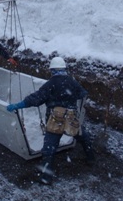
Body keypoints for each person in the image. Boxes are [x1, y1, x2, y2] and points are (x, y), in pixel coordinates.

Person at [6, 56, 95, 185]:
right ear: (64, 69)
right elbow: (82, 93)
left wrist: (19, 105)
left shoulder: (50, 84)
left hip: (55, 120)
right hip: (71, 119)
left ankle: (46, 177)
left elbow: (35, 98)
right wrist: (68, 99)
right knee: (83, 136)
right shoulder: (72, 82)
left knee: (49, 149)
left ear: (52, 70)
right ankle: (90, 158)